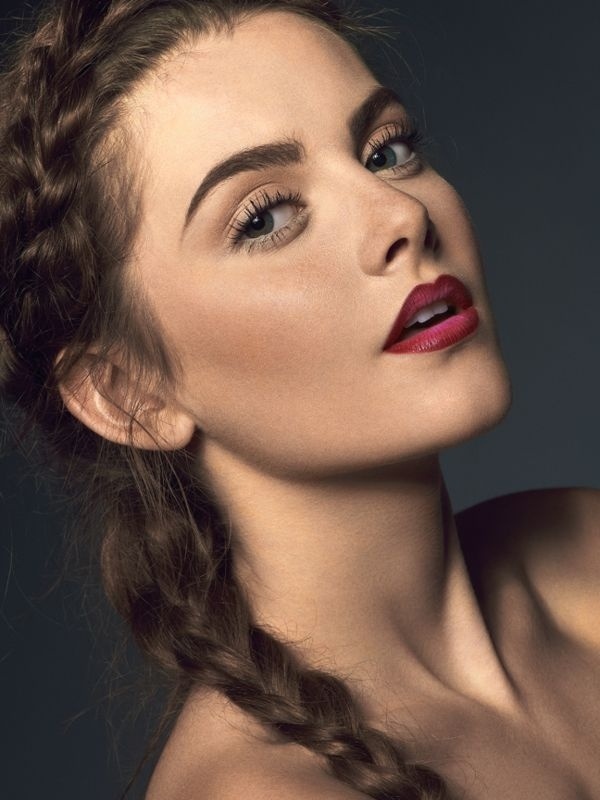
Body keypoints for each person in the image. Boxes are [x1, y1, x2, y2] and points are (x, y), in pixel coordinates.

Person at [0, 1, 598, 798]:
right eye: (266, 218)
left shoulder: (583, 548)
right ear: (126, 391)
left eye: (386, 151)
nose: (402, 214)